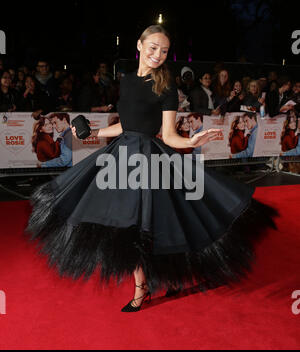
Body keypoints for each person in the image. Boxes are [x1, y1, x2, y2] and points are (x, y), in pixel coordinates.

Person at [26, 25, 277, 313]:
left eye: (165, 50)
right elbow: (125, 125)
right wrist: (91, 133)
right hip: (120, 156)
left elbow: (168, 135)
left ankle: (144, 286)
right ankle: (148, 281)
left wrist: (190, 140)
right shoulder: (127, 81)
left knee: (146, 222)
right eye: (153, 47)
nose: (158, 54)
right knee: (125, 222)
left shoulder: (166, 87)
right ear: (139, 45)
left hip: (147, 161)